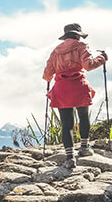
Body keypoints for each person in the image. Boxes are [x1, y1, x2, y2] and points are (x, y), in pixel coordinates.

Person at [42, 22, 107, 169]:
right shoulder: (81, 46)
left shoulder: (55, 51)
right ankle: (84, 148)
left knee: (67, 124)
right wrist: (102, 58)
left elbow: (47, 74)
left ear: (65, 36)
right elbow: (89, 65)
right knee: (83, 116)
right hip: (78, 86)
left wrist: (49, 79)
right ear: (78, 35)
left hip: (61, 88)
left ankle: (70, 157)